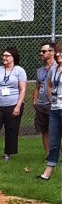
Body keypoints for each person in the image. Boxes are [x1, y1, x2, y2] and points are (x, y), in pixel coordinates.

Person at [0, 46, 26, 161]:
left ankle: (8, 154)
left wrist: (18, 106)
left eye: (7, 55)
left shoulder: (19, 71)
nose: (4, 57)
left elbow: (22, 89)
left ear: (13, 57)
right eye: (3, 55)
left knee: (11, 129)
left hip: (13, 104)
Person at [37, 43, 62, 180]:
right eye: (57, 52)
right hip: (55, 109)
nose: (58, 55)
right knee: (53, 141)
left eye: (61, 52)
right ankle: (47, 173)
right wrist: (52, 97)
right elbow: (49, 84)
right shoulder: (55, 69)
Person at [32, 42, 56, 157]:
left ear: (52, 52)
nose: (41, 54)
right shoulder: (40, 70)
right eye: (40, 52)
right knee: (45, 131)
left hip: (54, 104)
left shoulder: (58, 68)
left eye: (44, 51)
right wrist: (35, 101)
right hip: (41, 105)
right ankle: (48, 155)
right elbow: (37, 86)